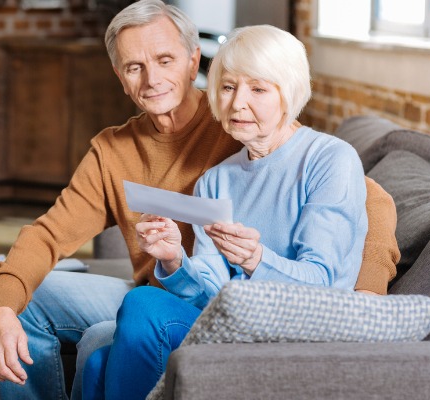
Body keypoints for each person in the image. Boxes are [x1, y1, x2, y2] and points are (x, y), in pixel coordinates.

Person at [0, 1, 399, 399]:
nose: (152, 79)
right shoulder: (126, 154)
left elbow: (370, 200)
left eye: (164, 60)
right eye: (134, 67)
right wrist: (0, 308)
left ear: (193, 60)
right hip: (179, 291)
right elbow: (48, 234)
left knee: (101, 341)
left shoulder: (242, 125)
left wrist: (365, 303)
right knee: (22, 302)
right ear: (119, 75)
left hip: (225, 304)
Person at [81, 23, 374, 400]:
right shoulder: (216, 180)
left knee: (142, 302)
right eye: (228, 86)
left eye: (258, 89)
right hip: (236, 324)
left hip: (300, 331)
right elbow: (211, 292)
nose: (237, 104)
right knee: (95, 364)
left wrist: (255, 259)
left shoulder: (329, 159)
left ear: (289, 93)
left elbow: (320, 283)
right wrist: (174, 261)